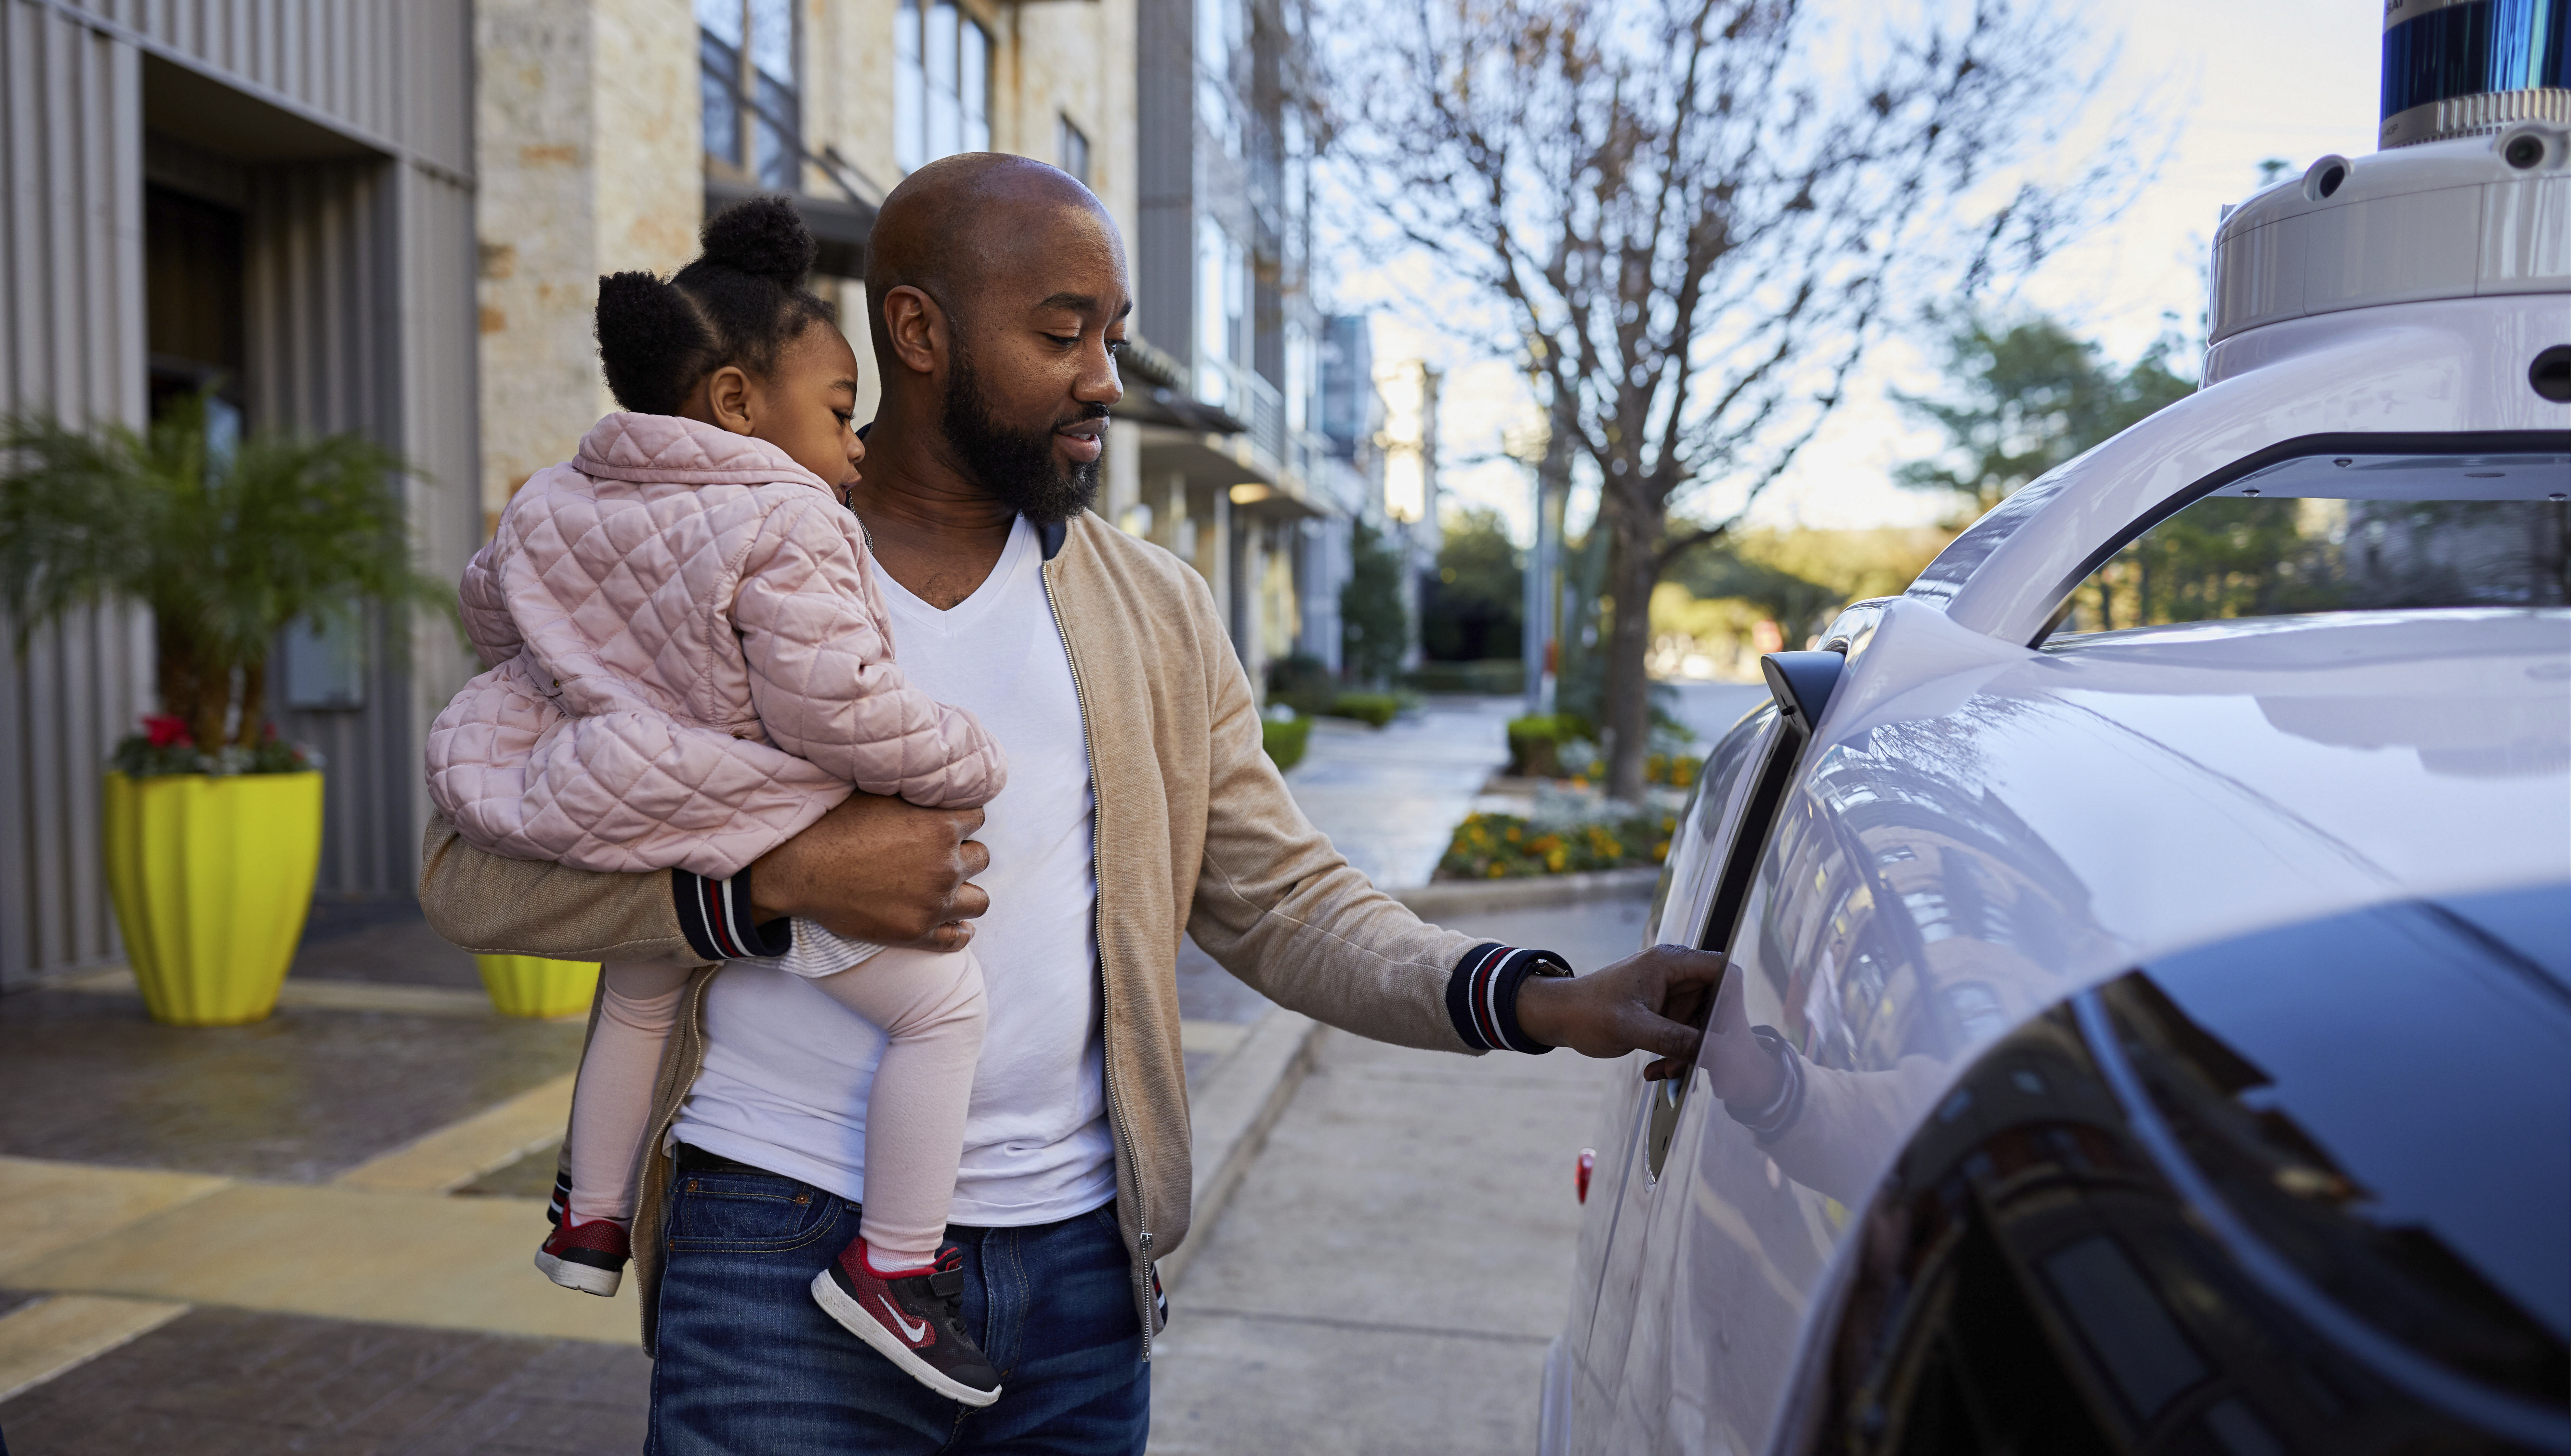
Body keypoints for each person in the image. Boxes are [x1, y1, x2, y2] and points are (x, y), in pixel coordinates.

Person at [419, 152, 1723, 1454]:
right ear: (917, 331)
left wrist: (1542, 1000)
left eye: (1112, 335)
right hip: (771, 1249)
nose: (1103, 375)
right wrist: (774, 886)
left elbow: (1281, 900)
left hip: (1080, 1280)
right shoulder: (713, 554)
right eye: (1061, 334)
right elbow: (470, 870)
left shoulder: (1153, 609)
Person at [424, 198, 1009, 1406]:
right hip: (744, 810)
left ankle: (589, 1221)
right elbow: (831, 708)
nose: (856, 446)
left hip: (619, 800)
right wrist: (964, 758)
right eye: (841, 413)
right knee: (943, 1009)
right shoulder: (786, 515)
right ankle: (895, 1268)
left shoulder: (553, 495)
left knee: (640, 997)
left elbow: (496, 615)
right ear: (740, 406)